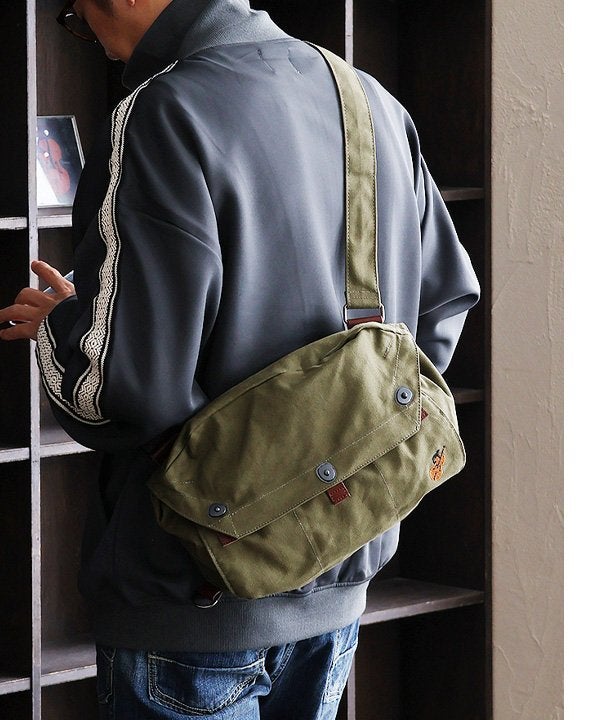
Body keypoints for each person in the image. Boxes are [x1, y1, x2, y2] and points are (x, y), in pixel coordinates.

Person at [0, 0, 480, 717]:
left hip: (188, 603)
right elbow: (437, 319)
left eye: (77, 16)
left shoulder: (160, 110)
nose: (89, 36)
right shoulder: (367, 98)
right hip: (338, 581)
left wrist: (57, 327)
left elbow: (123, 391)